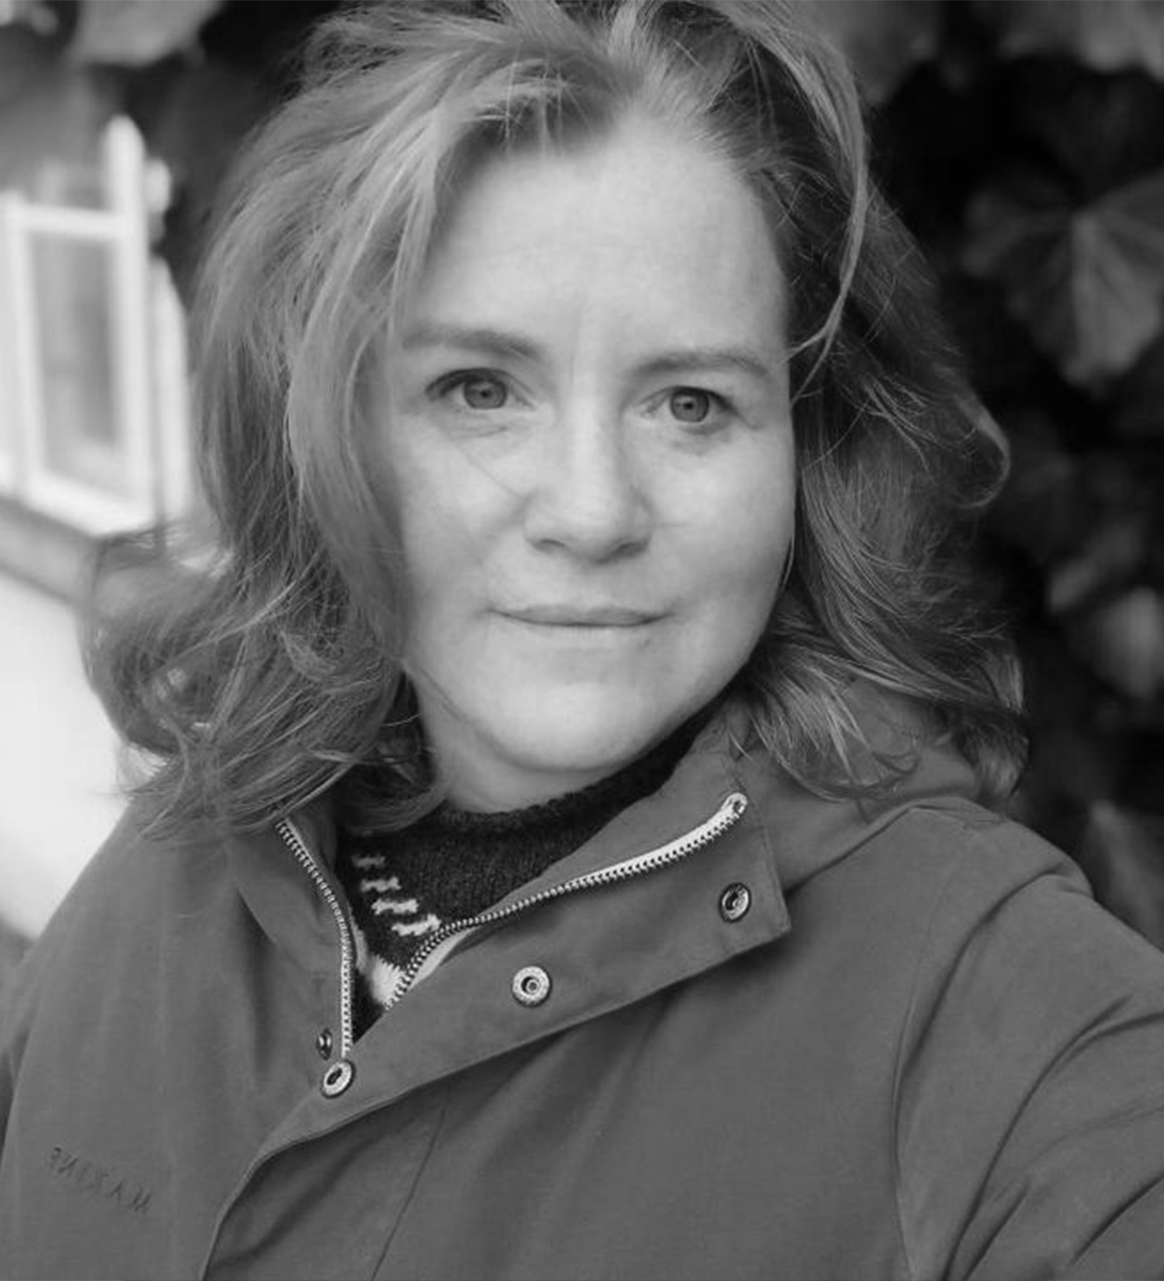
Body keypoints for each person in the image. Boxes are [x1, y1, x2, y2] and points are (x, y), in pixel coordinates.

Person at [3, 1, 1164, 1277]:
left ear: (810, 457)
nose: (594, 512)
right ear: (319, 433)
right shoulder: (180, 852)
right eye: (480, 390)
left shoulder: (1007, 1012)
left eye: (691, 403)